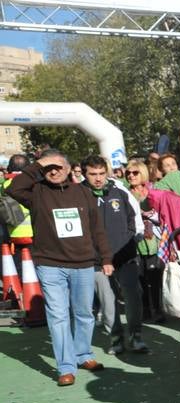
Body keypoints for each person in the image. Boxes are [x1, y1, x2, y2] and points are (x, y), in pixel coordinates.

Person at [7, 149, 113, 385]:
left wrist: (106, 258)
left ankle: (83, 354)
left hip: (83, 263)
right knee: (58, 316)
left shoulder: (83, 193)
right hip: (50, 264)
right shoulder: (36, 192)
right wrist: (39, 164)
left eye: (59, 167)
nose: (54, 171)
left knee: (84, 314)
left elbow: (97, 229)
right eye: (48, 168)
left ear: (68, 169)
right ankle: (66, 367)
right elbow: (12, 189)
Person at [83, 156, 146, 355]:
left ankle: (135, 336)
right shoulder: (80, 194)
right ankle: (116, 339)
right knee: (108, 302)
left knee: (132, 297)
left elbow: (133, 219)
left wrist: (130, 241)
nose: (98, 178)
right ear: (85, 174)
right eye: (93, 174)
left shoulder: (119, 191)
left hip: (124, 256)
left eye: (102, 173)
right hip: (97, 260)